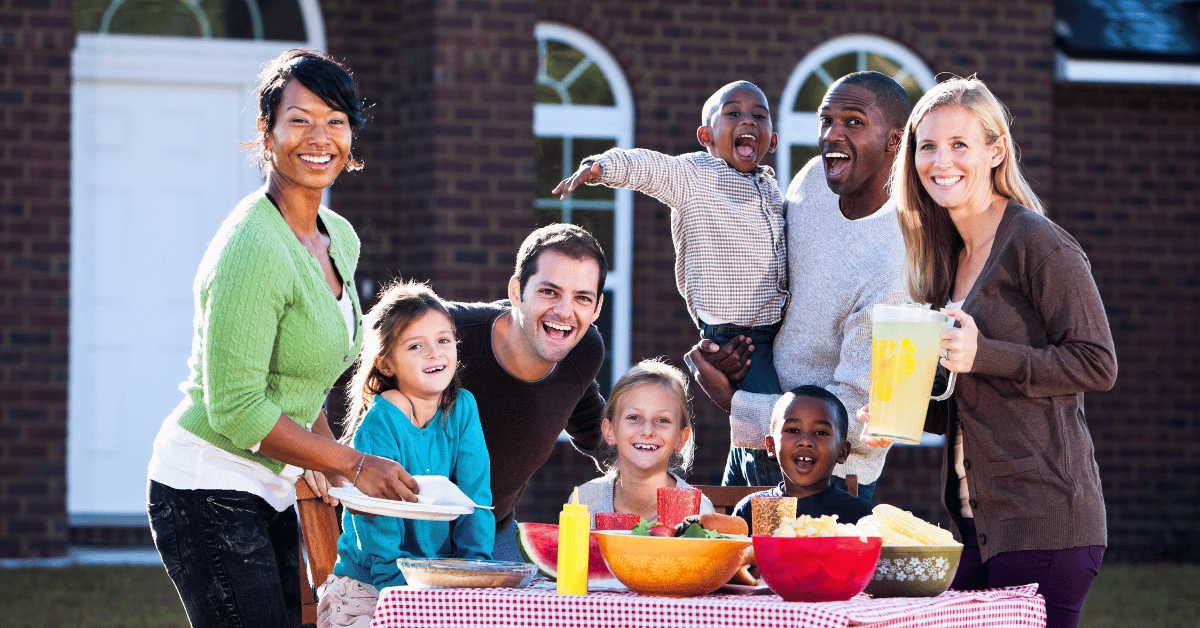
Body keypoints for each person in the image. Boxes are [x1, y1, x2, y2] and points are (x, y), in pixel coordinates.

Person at [146, 50, 419, 628]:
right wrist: (352, 461)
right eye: (299, 119)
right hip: (207, 483)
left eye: (336, 120)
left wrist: (326, 464)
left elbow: (304, 378)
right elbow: (238, 409)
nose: (319, 137)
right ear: (266, 135)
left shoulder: (337, 237)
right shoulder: (253, 245)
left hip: (266, 484)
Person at [873, 76, 1116, 628]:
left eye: (960, 144)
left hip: (1045, 523)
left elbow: (1097, 363)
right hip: (976, 529)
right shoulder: (949, 258)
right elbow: (968, 396)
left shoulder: (1038, 243)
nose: (941, 161)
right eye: (927, 146)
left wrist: (986, 354)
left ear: (995, 150)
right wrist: (902, 413)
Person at [687, 71, 912, 498]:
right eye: (826, 120)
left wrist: (734, 404)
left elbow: (868, 416)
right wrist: (733, 346)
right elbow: (767, 276)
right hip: (754, 442)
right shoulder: (813, 182)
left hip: (828, 475)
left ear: (895, 141)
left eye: (854, 122)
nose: (832, 135)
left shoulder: (899, 259)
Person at [553, 80, 787, 402]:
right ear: (706, 136)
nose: (748, 120)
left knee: (792, 409)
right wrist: (600, 168)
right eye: (733, 113)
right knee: (771, 417)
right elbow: (650, 167)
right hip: (737, 335)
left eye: (759, 116)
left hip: (778, 329)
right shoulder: (697, 176)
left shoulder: (772, 191)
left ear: (772, 141)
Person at [319, 281, 492, 628]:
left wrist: (476, 574)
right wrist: (401, 597)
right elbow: (376, 522)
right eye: (416, 346)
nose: (435, 353)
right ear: (386, 365)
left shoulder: (463, 409)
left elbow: (477, 495)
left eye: (444, 340)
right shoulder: (380, 424)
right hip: (371, 587)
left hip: (437, 583)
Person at [446, 223, 607, 561]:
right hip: (404, 531)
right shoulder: (447, 332)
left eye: (581, 298)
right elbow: (333, 368)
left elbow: (593, 427)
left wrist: (656, 475)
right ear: (517, 291)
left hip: (493, 532)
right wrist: (328, 458)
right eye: (549, 291)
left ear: (597, 307)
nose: (564, 311)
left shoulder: (583, 351)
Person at [574, 359, 715, 524]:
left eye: (663, 420)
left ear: (681, 438)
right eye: (634, 417)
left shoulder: (698, 511)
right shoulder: (584, 502)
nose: (647, 431)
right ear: (609, 430)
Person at [731, 386, 872, 531]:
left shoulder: (860, 515)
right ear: (771, 446)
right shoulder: (751, 510)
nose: (805, 441)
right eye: (792, 430)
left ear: (842, 452)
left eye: (821, 432)